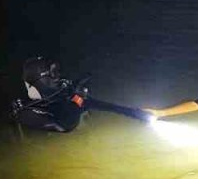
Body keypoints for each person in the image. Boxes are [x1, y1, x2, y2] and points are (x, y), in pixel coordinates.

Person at [11, 56, 149, 132]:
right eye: (53, 73)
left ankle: (141, 115)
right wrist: (77, 99)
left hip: (69, 109)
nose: (58, 77)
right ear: (40, 79)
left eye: (57, 71)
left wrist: (136, 113)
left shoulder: (62, 91)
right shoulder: (25, 111)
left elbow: (106, 105)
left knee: (99, 103)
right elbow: (65, 125)